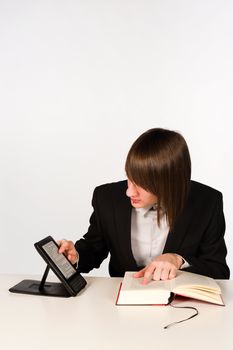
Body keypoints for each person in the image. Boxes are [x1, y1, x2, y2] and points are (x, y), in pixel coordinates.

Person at [58, 128, 230, 284]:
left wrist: (178, 260)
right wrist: (75, 256)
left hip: (181, 306)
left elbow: (219, 271)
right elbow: (94, 248)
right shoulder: (107, 198)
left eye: (141, 184)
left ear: (168, 183)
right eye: (129, 178)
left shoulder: (207, 202)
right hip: (120, 304)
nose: (129, 192)